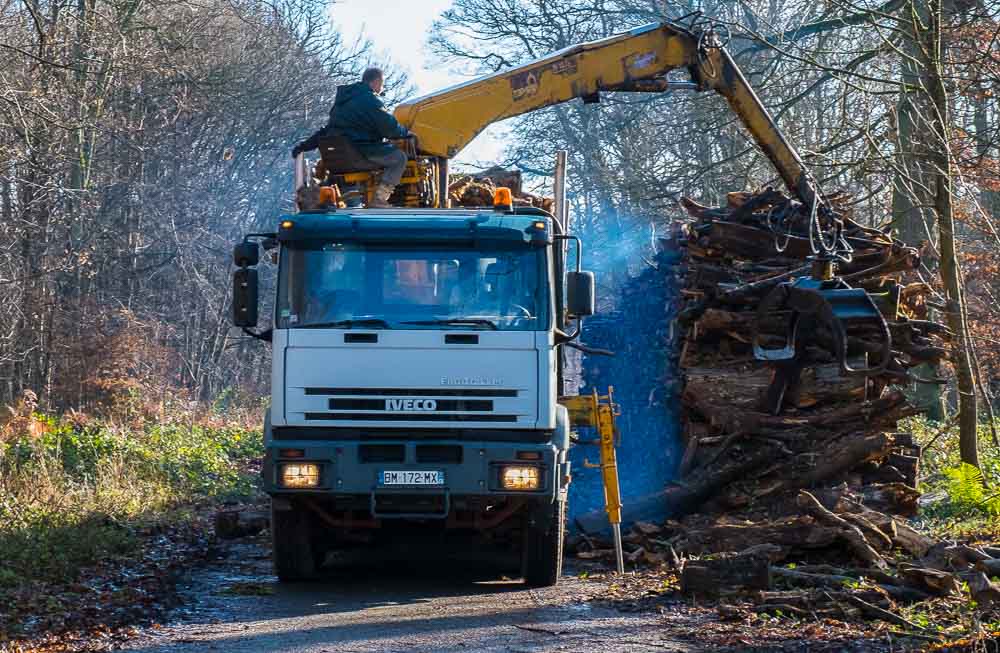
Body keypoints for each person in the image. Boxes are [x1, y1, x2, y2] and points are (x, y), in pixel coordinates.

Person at [292, 68, 412, 208]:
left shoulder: (342, 102)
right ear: (377, 81)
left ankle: (318, 194)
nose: (381, 88)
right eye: (382, 84)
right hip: (359, 152)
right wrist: (405, 132)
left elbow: (326, 130)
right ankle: (379, 198)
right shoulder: (370, 100)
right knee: (400, 158)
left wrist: (303, 146)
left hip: (340, 155)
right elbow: (390, 128)